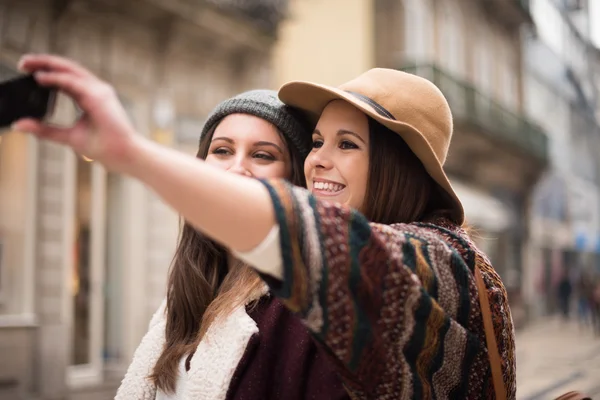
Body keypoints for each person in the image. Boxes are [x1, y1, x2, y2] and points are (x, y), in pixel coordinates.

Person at [14, 54, 516, 399]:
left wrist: (132, 153)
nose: (318, 161)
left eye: (347, 144)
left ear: (397, 167)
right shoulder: (221, 288)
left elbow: (323, 244)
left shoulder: (444, 258)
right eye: (317, 141)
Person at [122, 90, 348, 399]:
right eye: (223, 151)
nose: (237, 168)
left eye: (262, 155)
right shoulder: (183, 298)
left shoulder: (300, 306)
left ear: (293, 183)